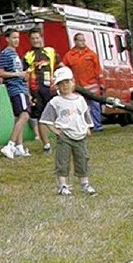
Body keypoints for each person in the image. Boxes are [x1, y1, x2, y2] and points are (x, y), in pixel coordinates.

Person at [39, 66, 96, 196]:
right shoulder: (56, 102)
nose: (64, 86)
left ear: (73, 82)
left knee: (82, 159)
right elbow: (46, 118)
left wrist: (87, 126)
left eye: (67, 82)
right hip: (65, 136)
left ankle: (84, 184)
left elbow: (85, 114)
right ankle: (63, 185)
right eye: (61, 84)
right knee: (62, 160)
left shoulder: (80, 100)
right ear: (57, 86)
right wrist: (55, 130)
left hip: (79, 135)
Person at [23, 28, 61, 151]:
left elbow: (61, 66)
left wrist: (60, 80)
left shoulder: (51, 51)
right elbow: (25, 75)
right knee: (41, 118)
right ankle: (46, 145)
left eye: (37, 37)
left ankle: (62, 139)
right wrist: (28, 93)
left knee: (57, 115)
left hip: (51, 89)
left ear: (41, 37)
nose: (35, 40)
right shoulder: (28, 55)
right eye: (33, 38)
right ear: (30, 40)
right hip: (36, 91)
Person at [0, 30, 31, 159]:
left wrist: (24, 75)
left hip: (21, 85)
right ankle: (10, 145)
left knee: (19, 118)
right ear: (7, 39)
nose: (16, 40)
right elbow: (0, 72)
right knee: (25, 115)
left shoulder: (15, 54)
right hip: (16, 88)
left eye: (18, 37)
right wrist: (18, 75)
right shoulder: (6, 53)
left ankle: (19, 147)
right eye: (13, 37)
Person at [62, 33, 105, 132]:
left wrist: (101, 83)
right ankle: (84, 126)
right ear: (75, 41)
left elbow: (98, 69)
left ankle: (97, 126)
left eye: (83, 40)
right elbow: (64, 69)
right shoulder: (69, 56)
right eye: (80, 40)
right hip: (78, 86)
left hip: (92, 85)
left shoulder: (91, 54)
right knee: (80, 107)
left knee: (95, 106)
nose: (83, 42)